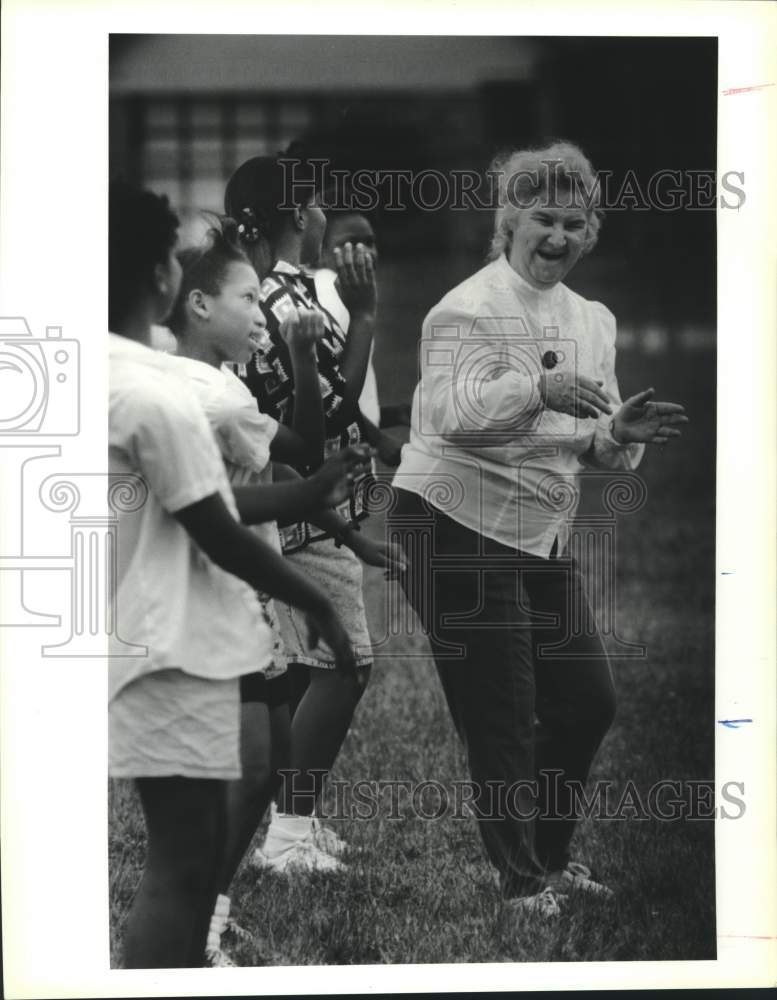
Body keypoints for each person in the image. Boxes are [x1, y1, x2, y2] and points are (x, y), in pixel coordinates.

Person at [389, 142, 689, 918]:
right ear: (508, 220)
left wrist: (621, 430)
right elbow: (455, 416)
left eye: (573, 222)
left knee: (586, 700)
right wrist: (539, 387)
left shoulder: (592, 318)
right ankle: (521, 882)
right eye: (542, 219)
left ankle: (551, 857)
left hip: (536, 530)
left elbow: (596, 441)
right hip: (449, 516)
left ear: (590, 231)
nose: (557, 237)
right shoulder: (464, 308)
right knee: (501, 707)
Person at [108, 181, 360, 967]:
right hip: (172, 646)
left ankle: (194, 953)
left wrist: (311, 499)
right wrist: (317, 599)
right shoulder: (160, 394)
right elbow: (217, 523)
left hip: (147, 641)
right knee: (181, 871)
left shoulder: (99, 373)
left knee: (194, 852)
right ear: (162, 281)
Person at [166, 218, 403, 958]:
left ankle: (207, 910)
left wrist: (301, 359)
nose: (258, 308)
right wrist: (311, 507)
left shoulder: (224, 383)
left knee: (261, 759)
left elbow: (297, 448)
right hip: (207, 604)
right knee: (224, 774)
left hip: (238, 597)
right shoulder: (204, 394)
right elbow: (234, 500)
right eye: (246, 297)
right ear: (198, 304)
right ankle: (188, 927)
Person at [223, 154, 382, 870]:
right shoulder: (292, 299)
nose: (324, 214)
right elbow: (330, 405)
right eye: (314, 203)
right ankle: (288, 834)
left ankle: (294, 821)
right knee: (346, 663)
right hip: (303, 499)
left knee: (298, 666)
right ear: (296, 216)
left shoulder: (254, 290)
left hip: (279, 495)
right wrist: (369, 316)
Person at [307, 204, 412, 468]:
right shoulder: (331, 294)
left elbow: (345, 384)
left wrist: (392, 414)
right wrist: (380, 441)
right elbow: (325, 398)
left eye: (370, 242)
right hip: (339, 463)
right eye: (351, 243)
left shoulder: (347, 294)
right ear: (320, 250)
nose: (365, 252)